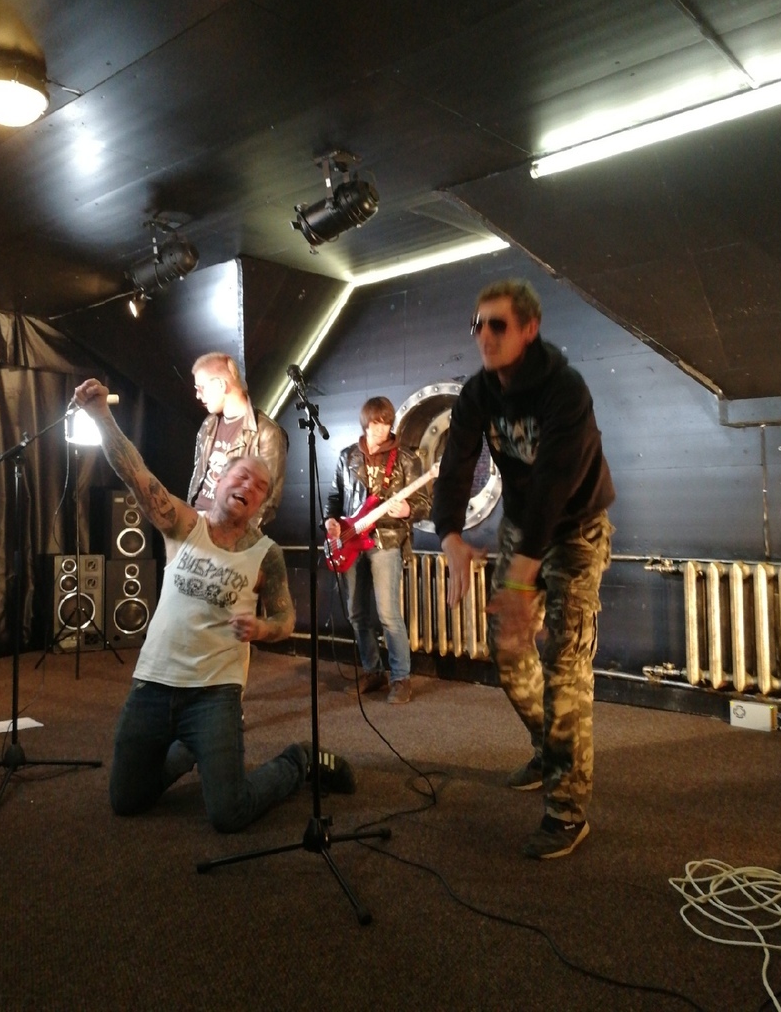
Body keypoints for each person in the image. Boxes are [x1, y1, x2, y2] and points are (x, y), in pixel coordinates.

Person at [72, 377, 354, 833]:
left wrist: (263, 629)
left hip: (215, 694)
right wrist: (101, 414)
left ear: (261, 502)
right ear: (220, 481)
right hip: (153, 685)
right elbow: (136, 474)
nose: (248, 485)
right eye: (240, 476)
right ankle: (189, 749)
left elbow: (286, 618)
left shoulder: (266, 554)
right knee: (127, 800)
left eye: (259, 486)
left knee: (229, 813)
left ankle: (298, 761)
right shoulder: (184, 525)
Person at [431, 279, 615, 859]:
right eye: (477, 325)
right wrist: (450, 535)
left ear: (529, 329)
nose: (484, 335)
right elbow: (456, 462)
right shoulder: (478, 393)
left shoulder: (565, 389)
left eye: (498, 325)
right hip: (520, 528)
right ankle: (549, 750)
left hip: (575, 529)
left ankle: (566, 812)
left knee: (564, 662)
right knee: (508, 651)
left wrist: (520, 582)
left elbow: (555, 485)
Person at [324, 397, 431, 705]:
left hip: (388, 541)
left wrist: (408, 509)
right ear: (365, 423)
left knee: (388, 613)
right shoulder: (347, 456)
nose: (381, 429)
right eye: (375, 423)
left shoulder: (407, 459)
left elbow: (425, 503)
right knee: (356, 613)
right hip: (351, 541)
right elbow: (334, 497)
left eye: (386, 423)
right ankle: (373, 671)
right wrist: (330, 522)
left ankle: (401, 678)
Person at [188, 351, 288, 528]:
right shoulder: (209, 424)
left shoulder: (267, 432)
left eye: (201, 388)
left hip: (228, 531)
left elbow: (268, 499)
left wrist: (234, 534)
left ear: (220, 385)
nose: (198, 395)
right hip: (195, 525)